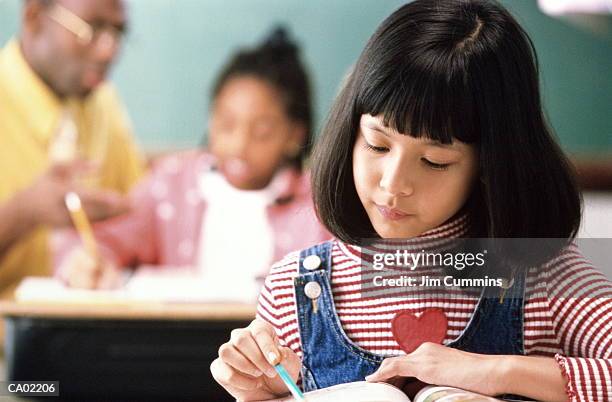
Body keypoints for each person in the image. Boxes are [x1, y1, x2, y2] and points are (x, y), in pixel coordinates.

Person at [210, 1, 611, 401]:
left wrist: (498, 372)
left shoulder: (544, 277)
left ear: (491, 163)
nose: (394, 183)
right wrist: (257, 392)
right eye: (377, 144)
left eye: (434, 161)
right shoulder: (294, 290)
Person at [54, 27, 330, 291]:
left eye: (262, 132)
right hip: (178, 337)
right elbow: (108, 239)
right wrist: (87, 261)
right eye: (226, 125)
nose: (239, 145)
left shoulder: (317, 205)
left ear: (294, 135)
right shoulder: (172, 184)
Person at [0, 0, 143, 299]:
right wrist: (22, 214)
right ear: (34, 17)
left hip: (85, 329)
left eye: (117, 33)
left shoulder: (102, 102)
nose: (109, 50)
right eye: (91, 30)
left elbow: (138, 213)